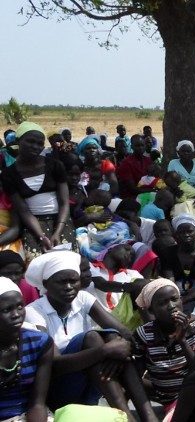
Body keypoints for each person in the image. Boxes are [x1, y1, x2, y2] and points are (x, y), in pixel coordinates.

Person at [23, 251, 157, 420]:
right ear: (45, 284)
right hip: (57, 391)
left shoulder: (83, 298)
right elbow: (54, 364)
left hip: (89, 382)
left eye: (74, 281)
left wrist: (116, 347)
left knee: (113, 337)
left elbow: (124, 333)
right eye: (62, 282)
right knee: (91, 338)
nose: (69, 287)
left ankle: (148, 416)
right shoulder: (34, 312)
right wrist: (104, 352)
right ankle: (126, 416)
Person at [1, 122, 76, 261]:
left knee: (67, 258)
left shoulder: (54, 165)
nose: (35, 146)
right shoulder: (9, 174)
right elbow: (23, 210)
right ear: (18, 141)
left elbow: (64, 203)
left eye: (40, 143)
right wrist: (41, 236)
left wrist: (58, 232)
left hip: (60, 221)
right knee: (36, 259)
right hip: (32, 224)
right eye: (30, 141)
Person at [133, 278, 195, 405]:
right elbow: (137, 374)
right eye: (162, 303)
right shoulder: (144, 334)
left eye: (174, 299)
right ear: (151, 310)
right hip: (166, 399)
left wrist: (182, 341)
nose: (171, 306)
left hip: (194, 397)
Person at [0, 277, 53, 422]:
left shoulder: (39, 343)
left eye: (19, 306)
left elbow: (37, 403)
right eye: (6, 310)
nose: (16, 315)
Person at [158, 214, 195, 314]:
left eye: (190, 231)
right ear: (176, 234)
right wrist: (175, 298)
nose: (186, 235)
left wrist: (184, 299)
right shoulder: (168, 253)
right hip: (175, 290)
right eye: (182, 232)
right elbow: (170, 280)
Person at [116, 135, 153, 199]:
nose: (140, 148)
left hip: (147, 192)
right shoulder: (126, 163)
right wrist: (153, 191)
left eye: (142, 145)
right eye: (137, 146)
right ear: (132, 147)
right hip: (132, 197)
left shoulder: (148, 160)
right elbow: (132, 189)